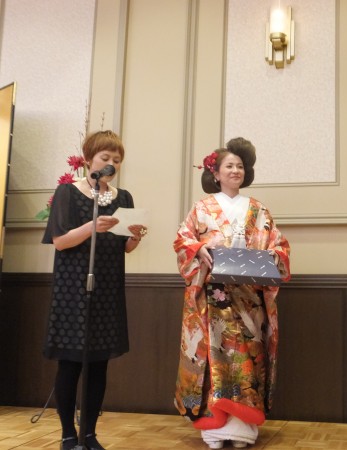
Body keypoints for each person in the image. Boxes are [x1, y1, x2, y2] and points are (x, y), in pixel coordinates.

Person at [173, 137, 291, 449]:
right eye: (229, 166)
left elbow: (278, 244)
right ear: (216, 173)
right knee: (214, 358)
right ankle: (214, 429)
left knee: (248, 358)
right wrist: (198, 249)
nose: (235, 170)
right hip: (212, 297)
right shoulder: (202, 208)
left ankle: (242, 429)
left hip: (249, 296)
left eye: (240, 166)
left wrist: (274, 256)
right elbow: (182, 240)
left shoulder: (258, 209)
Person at [42, 130, 148, 450]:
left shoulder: (123, 197)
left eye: (117, 160)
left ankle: (88, 433)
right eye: (105, 158)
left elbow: (124, 249)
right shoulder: (67, 193)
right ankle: (67, 435)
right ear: (89, 159)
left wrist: (135, 237)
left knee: (99, 362)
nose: (111, 164)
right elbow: (60, 242)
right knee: (71, 362)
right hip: (72, 287)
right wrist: (92, 226)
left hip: (107, 288)